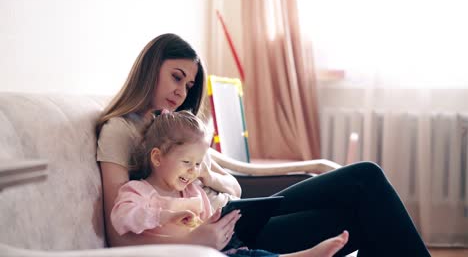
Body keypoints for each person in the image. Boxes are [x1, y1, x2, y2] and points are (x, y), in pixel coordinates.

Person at [96, 33, 431, 256]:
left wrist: (207, 176)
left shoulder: (173, 127)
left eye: (189, 83)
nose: (183, 91)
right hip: (225, 236)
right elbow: (118, 235)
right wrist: (196, 240)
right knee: (355, 215)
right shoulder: (119, 130)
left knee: (364, 178)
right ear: (150, 69)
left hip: (232, 212)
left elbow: (228, 182)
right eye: (176, 77)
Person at [110, 109, 349, 257]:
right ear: (157, 157)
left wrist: (218, 223)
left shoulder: (192, 191)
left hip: (212, 251)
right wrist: (166, 213)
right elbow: (122, 218)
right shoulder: (139, 190)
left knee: (247, 254)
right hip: (178, 253)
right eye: (186, 162)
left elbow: (205, 228)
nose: (193, 171)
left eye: (198, 164)